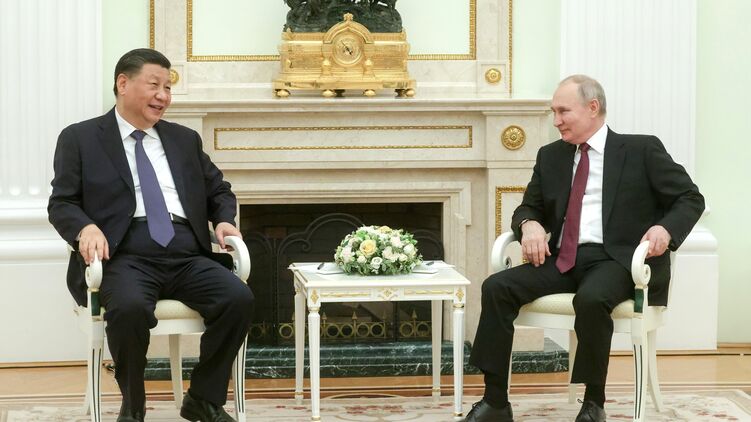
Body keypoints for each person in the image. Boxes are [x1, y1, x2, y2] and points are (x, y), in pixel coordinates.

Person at [463, 74, 705, 422]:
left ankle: (594, 403)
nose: (556, 120)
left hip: (617, 260)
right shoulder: (551, 156)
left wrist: (665, 228)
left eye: (563, 111)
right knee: (496, 287)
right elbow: (528, 207)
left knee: (591, 299)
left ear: (593, 107)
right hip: (562, 259)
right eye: (553, 112)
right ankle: (496, 401)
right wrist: (529, 224)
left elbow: (690, 197)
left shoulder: (641, 150)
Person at [48, 48, 254, 422]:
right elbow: (62, 203)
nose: (163, 96)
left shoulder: (183, 139)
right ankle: (134, 404)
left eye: (168, 88)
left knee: (237, 298)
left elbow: (218, 190)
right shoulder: (81, 138)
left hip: (186, 254)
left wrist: (224, 220)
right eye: (154, 85)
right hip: (123, 256)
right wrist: (85, 227)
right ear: (123, 84)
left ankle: (203, 399)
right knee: (128, 309)